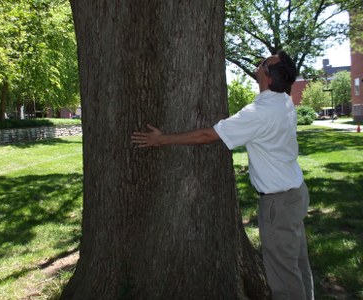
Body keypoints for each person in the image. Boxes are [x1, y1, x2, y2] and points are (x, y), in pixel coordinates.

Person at [131, 50, 314, 300]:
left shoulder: (259, 113)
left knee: (283, 275)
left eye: (263, 64)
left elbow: (208, 136)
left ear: (268, 78)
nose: (259, 65)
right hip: (295, 195)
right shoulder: (282, 101)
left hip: (278, 204)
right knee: (297, 264)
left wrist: (162, 140)